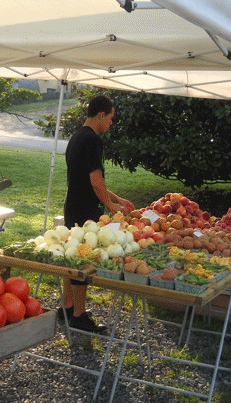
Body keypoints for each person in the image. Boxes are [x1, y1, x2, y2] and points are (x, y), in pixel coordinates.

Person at [60, 95, 135, 333]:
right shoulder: (93, 140)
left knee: (71, 256)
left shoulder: (76, 137)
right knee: (82, 262)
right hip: (85, 210)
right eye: (111, 118)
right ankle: (80, 316)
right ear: (101, 115)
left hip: (71, 204)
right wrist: (111, 207)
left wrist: (116, 199)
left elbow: (88, 180)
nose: (111, 124)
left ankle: (68, 307)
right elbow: (95, 180)